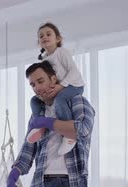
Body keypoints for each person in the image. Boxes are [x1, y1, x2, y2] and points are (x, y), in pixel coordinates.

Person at [27, 22, 86, 156]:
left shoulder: (61, 53)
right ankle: (38, 125)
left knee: (60, 99)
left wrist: (61, 85)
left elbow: (74, 72)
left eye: (48, 34)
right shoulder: (43, 60)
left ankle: (69, 136)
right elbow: (48, 78)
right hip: (60, 86)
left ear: (58, 39)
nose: (44, 37)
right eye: (41, 36)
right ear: (39, 43)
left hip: (74, 85)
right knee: (34, 101)